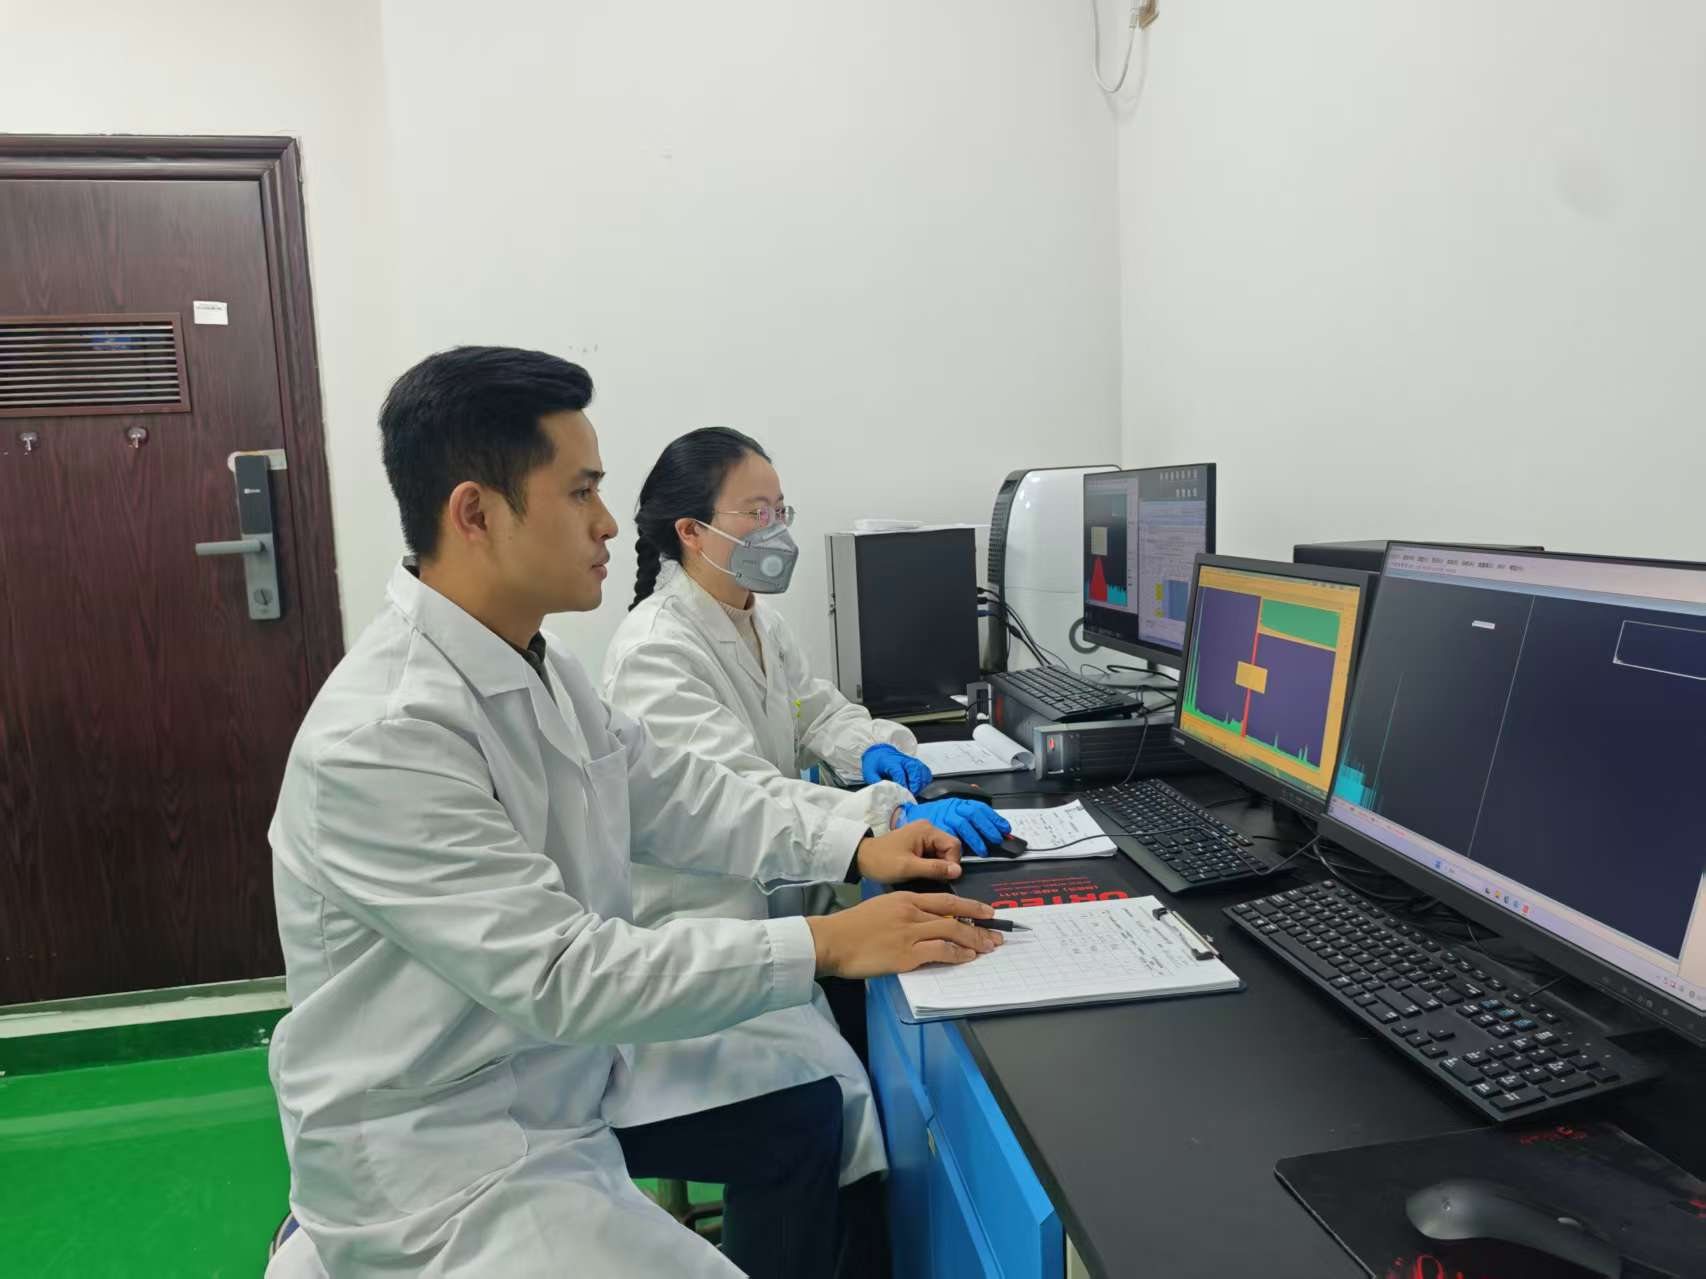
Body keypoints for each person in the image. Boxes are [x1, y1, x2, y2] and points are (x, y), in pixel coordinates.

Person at [265, 346, 1001, 1279]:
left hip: (553, 1083)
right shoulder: (386, 734)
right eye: (581, 492)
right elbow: (562, 970)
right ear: (476, 514)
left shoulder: (540, 670)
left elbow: (682, 791)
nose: (611, 522)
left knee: (809, 1110)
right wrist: (829, 942)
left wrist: (858, 841)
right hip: (442, 1162)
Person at [598, 428, 1013, 1216]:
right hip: (701, 940)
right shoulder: (658, 651)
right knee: (819, 1108)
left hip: (772, 907)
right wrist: (885, 816)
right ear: (692, 532)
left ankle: (873, 1224)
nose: (776, 530)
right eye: (755, 512)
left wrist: (877, 750)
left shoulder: (755, 619)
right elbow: (738, 797)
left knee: (885, 1005)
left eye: (780, 509)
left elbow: (816, 711)